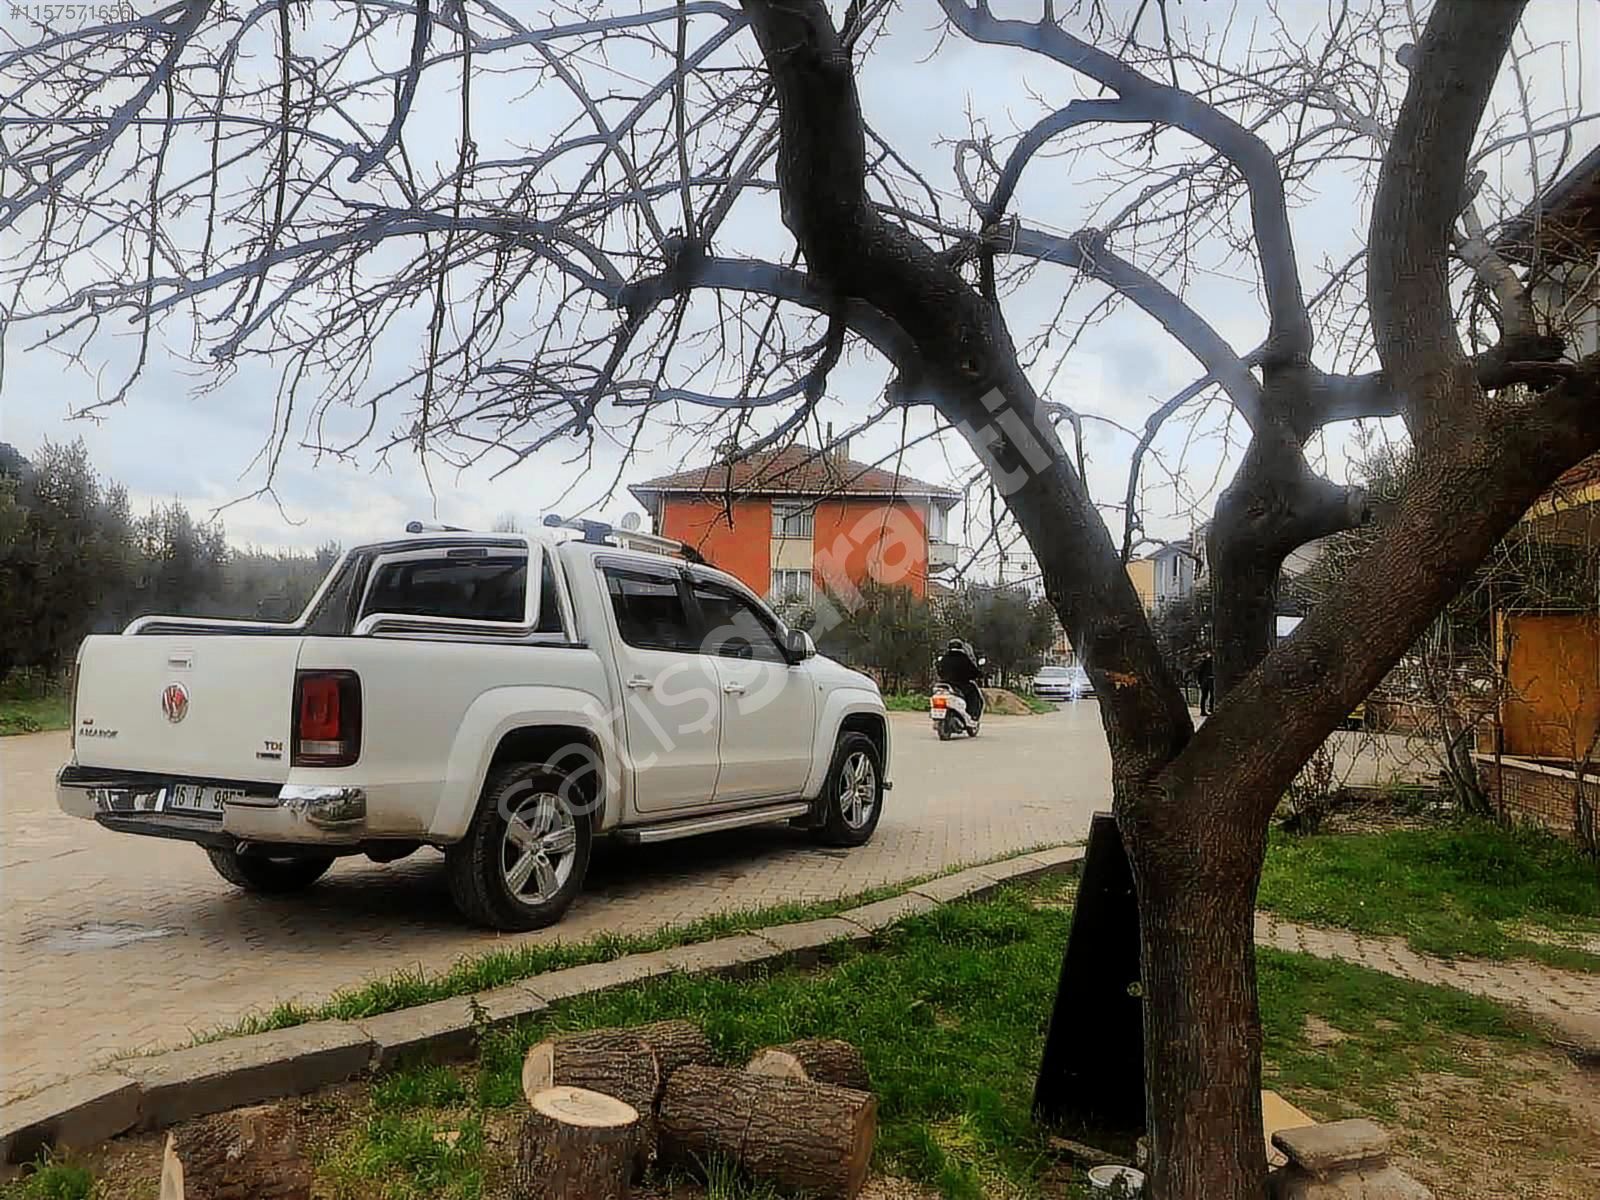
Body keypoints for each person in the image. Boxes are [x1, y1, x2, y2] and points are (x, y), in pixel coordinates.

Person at [936, 638, 986, 723]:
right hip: (961, 684)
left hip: (944, 683)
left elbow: (939, 670)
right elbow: (973, 671)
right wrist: (979, 674)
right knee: (974, 695)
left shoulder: (945, 658)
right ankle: (972, 716)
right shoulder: (963, 658)